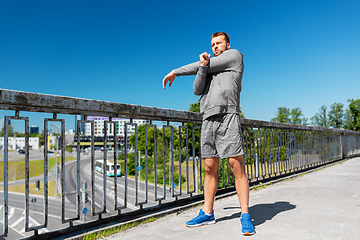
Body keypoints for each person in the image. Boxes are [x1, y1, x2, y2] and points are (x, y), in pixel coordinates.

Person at [162, 32, 254, 235]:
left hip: (228, 116)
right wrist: (203, 68)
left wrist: (176, 72)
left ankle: (245, 216)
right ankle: (207, 213)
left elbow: (200, 65)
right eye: (212, 44)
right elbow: (197, 90)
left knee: (235, 166)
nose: (215, 47)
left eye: (218, 43)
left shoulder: (234, 56)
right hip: (208, 119)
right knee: (209, 168)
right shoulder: (208, 66)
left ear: (227, 45)